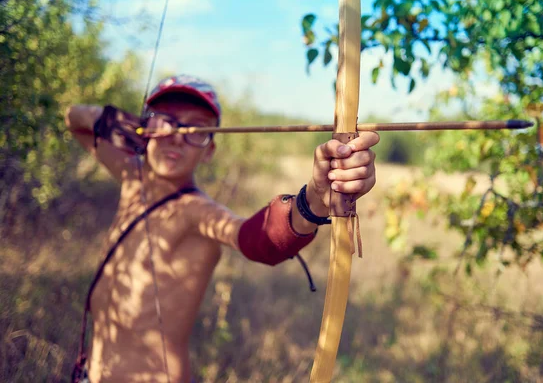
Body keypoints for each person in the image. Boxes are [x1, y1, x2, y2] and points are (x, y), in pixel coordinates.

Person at [65, 74, 379, 383]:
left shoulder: (195, 211)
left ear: (210, 150)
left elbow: (254, 239)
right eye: (167, 122)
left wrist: (313, 199)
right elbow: (75, 119)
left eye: (196, 131)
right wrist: (125, 122)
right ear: (146, 128)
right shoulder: (132, 177)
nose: (177, 137)